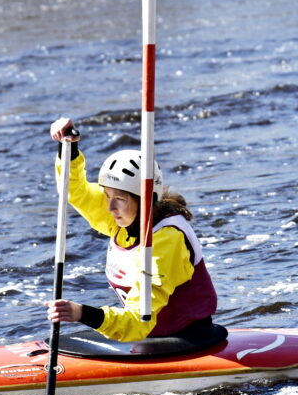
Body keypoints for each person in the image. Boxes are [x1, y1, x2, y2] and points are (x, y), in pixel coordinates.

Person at [44, 117, 218, 344]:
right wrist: (69, 148)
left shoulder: (166, 243)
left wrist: (81, 313)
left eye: (119, 199)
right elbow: (75, 192)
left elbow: (139, 321)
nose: (110, 207)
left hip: (186, 339)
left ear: (145, 199)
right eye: (107, 196)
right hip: (148, 336)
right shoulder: (124, 219)